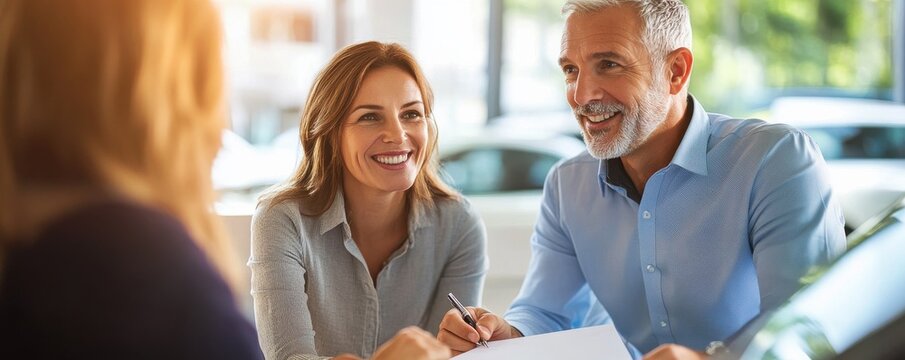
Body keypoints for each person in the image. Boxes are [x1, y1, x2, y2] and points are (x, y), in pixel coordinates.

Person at [0, 2, 450, 359]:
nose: (219, 127)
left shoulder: (34, 248)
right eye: (209, 78)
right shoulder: (139, 265)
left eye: (412, 113)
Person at [437, 0, 846, 359]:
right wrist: (505, 333)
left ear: (676, 71)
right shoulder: (567, 186)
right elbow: (546, 311)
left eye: (608, 64)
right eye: (570, 70)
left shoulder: (775, 160)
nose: (582, 95)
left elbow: (811, 324)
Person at [249, 41, 487, 359]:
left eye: (412, 114)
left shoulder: (459, 224)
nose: (398, 134)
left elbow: (442, 354)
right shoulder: (283, 220)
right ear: (331, 132)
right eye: (370, 118)